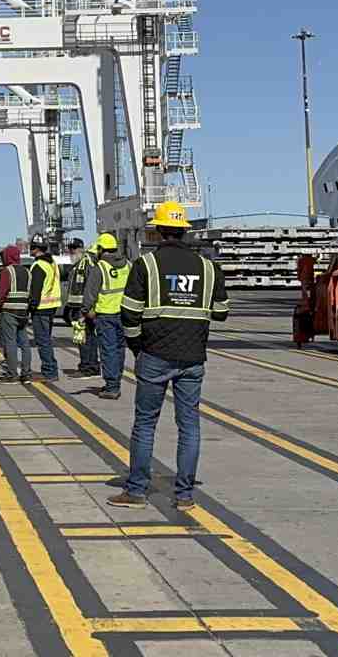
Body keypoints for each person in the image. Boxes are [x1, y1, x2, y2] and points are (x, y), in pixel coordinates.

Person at [108, 202, 227, 510]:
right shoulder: (209, 267)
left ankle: (136, 491)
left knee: (146, 423)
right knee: (189, 425)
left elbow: (129, 314)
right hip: (192, 357)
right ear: (184, 231)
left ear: (158, 231)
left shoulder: (146, 265)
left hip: (154, 355)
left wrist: (136, 347)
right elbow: (222, 312)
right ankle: (185, 495)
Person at [83, 233, 132, 399]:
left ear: (101, 249)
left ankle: (112, 386)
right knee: (119, 350)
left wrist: (86, 311)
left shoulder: (100, 267)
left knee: (108, 350)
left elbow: (90, 294)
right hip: (124, 314)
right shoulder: (128, 265)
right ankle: (115, 381)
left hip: (105, 315)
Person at [0, 243, 34, 382]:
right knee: (24, 343)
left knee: (10, 342)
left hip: (9, 311)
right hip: (23, 311)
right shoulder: (27, 272)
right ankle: (27, 373)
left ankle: (12, 373)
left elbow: (2, 292)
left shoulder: (7, 271)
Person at [28, 236, 63, 382]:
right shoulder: (52, 263)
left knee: (42, 340)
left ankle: (49, 371)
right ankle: (50, 369)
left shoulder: (38, 266)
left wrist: (30, 307)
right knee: (46, 339)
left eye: (31, 247)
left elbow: (36, 290)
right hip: (52, 306)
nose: (30, 249)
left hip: (41, 307)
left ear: (36, 249)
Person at [65, 237, 99, 376]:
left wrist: (88, 309)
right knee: (84, 338)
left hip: (83, 309)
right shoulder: (77, 264)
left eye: (74, 248)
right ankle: (89, 365)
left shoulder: (87, 263)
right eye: (70, 249)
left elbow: (92, 287)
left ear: (81, 249)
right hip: (77, 307)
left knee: (85, 338)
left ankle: (87, 367)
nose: (71, 251)